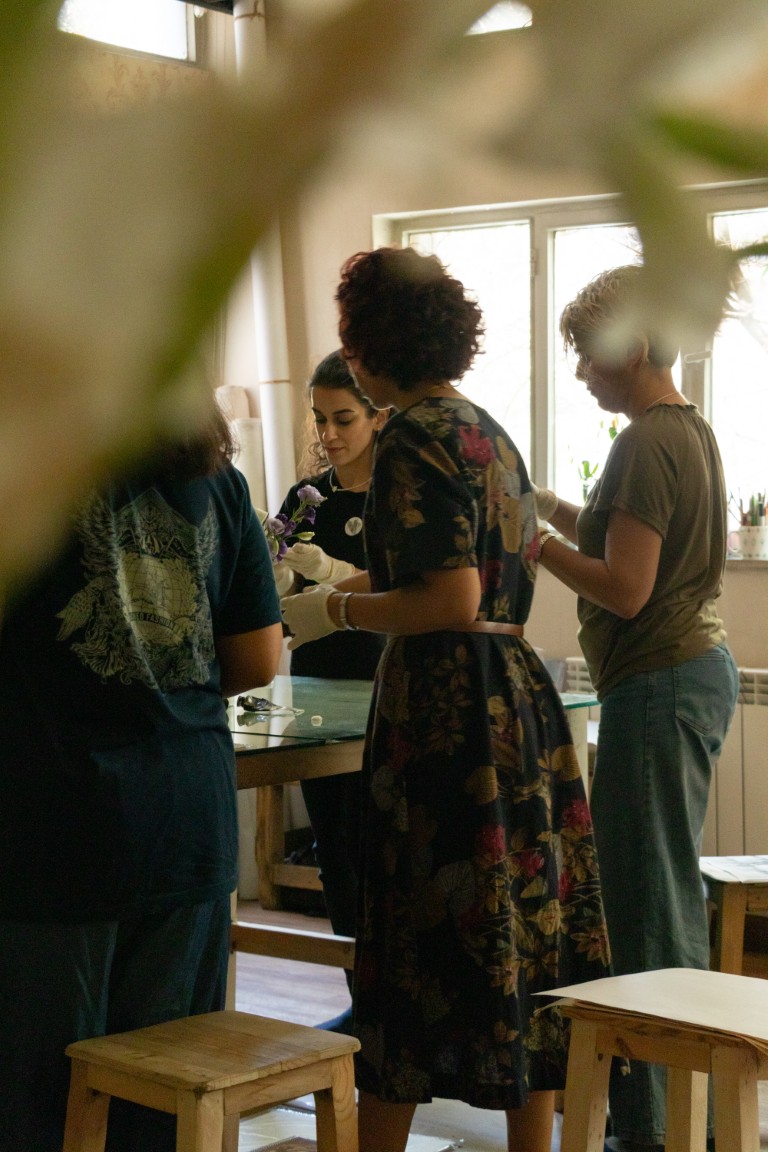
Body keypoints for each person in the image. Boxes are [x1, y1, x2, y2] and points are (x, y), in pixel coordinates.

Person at [282, 246, 610, 1152]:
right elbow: (472, 577)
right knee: (515, 937)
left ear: (371, 341)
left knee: (414, 944)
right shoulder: (487, 430)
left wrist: (334, 608)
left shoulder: (410, 437)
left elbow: (448, 598)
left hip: (447, 709)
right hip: (514, 697)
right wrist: (345, 587)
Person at [0, 396, 283, 1152]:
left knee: (42, 1100)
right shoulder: (215, 477)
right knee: (160, 1104)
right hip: (187, 813)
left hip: (58, 816)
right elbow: (257, 657)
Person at [535, 264, 739, 1152]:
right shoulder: (687, 430)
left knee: (646, 909)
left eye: (589, 353)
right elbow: (626, 543)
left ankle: (654, 1130)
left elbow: (624, 587)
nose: (582, 372)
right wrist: (548, 506)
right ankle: (686, 1117)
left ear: (639, 345)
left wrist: (533, 544)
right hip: (686, 672)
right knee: (662, 896)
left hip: (657, 684)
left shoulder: (646, 442)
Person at [275, 350, 388, 1032]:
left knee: (379, 854)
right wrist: (277, 580)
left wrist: (331, 573)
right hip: (314, 694)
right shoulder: (306, 499)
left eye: (343, 418)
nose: (329, 433)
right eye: (320, 419)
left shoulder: (396, 498)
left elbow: (400, 588)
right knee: (336, 857)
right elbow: (273, 587)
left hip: (378, 691)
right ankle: (363, 1007)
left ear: (377, 416)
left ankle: (394, 1007)